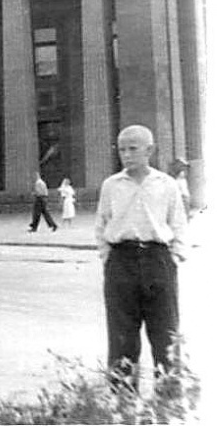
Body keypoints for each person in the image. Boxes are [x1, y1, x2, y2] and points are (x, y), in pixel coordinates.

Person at [94, 124, 188, 388]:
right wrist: (108, 259)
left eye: (133, 148)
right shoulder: (111, 185)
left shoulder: (166, 184)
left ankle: (168, 401)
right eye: (121, 149)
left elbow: (178, 223)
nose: (126, 154)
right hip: (121, 263)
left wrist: (174, 258)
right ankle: (122, 404)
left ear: (150, 150)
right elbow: (101, 226)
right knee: (122, 337)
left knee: (166, 335)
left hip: (158, 261)